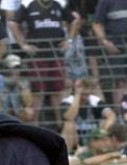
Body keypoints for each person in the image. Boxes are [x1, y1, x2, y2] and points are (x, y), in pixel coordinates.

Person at [8, 0, 78, 128]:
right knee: (37, 92)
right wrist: (23, 44)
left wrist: (69, 39)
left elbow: (74, 20)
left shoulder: (60, 3)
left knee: (58, 91)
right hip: (37, 55)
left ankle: (60, 125)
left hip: (57, 54)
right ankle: (36, 126)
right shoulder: (28, 3)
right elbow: (13, 23)